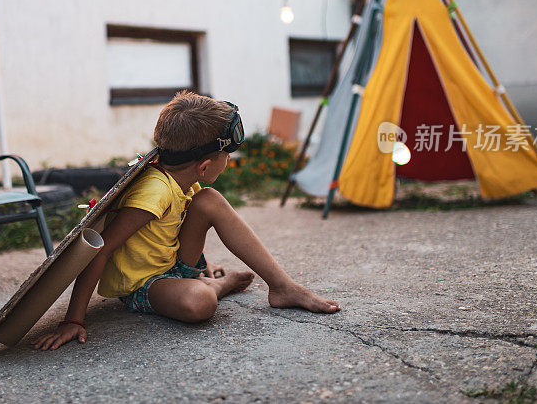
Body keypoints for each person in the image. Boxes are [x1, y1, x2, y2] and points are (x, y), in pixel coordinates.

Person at [34, 91, 339, 351]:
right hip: (144, 284)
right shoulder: (154, 193)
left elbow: (176, 224)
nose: (229, 161)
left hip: (174, 264)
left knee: (210, 200)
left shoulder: (182, 178)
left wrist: (200, 260)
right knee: (200, 303)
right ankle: (215, 285)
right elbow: (101, 248)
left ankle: (282, 286)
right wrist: (73, 319)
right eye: (227, 156)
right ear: (205, 166)